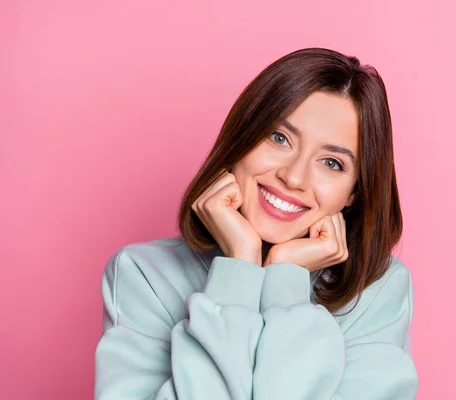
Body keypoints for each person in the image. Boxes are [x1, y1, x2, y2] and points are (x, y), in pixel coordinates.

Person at [94, 47, 418, 399]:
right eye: (279, 139)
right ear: (241, 141)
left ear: (354, 193)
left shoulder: (378, 292)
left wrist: (285, 279)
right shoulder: (143, 275)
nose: (294, 177)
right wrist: (239, 268)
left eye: (332, 163)